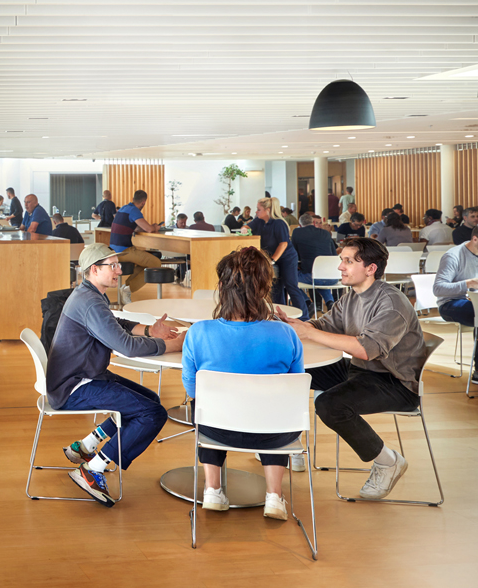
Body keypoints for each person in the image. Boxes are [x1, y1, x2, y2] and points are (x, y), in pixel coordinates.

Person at [276, 237, 426, 500]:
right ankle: (284, 443)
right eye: (341, 260)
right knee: (288, 368)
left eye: (348, 261)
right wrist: (296, 325)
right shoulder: (351, 298)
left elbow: (366, 349)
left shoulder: (392, 303)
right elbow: (324, 326)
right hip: (362, 371)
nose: (340, 267)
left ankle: (387, 460)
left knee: (330, 405)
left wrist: (308, 334)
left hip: (395, 383)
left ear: (371, 268)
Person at [46, 243, 186, 507]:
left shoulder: (90, 294)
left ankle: (86, 447)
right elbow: (126, 347)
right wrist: (169, 345)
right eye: (113, 266)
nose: (119, 271)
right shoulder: (89, 302)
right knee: (153, 413)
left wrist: (149, 330)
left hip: (80, 376)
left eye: (118, 265)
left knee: (149, 399)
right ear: (94, 270)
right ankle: (93, 469)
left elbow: (115, 324)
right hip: (74, 386)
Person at [182, 246, 304, 519]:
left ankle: (213, 489)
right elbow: (294, 391)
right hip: (274, 432)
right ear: (264, 287)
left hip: (216, 430)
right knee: (277, 410)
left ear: (222, 286)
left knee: (202, 405)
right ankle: (274, 496)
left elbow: (192, 390)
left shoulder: (198, 332)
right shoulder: (287, 334)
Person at [244, 197, 309, 320]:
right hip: (272, 257)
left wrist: (272, 260)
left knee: (291, 285)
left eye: (259, 209)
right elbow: (248, 227)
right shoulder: (258, 221)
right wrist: (244, 229)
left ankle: (304, 318)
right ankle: (279, 316)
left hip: (287, 257)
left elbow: (283, 244)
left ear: (268, 210)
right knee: (275, 287)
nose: (256, 212)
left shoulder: (279, 223)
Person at [434, 225, 478, 385]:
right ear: (475, 239)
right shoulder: (453, 256)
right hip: (450, 304)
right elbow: (438, 289)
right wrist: (469, 283)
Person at [110, 190, 164, 304]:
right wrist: (155, 227)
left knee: (144, 263)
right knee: (156, 263)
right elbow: (149, 229)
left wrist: (148, 227)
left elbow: (136, 228)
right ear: (143, 202)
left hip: (114, 249)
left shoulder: (124, 209)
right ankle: (128, 289)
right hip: (124, 250)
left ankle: (127, 287)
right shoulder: (134, 211)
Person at [292, 213, 338, 314]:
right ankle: (330, 302)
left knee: (288, 279)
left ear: (300, 225)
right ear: (313, 223)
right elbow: (334, 254)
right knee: (320, 277)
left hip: (312, 276)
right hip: (333, 277)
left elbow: (294, 253)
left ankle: (307, 302)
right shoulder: (326, 233)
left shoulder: (297, 232)